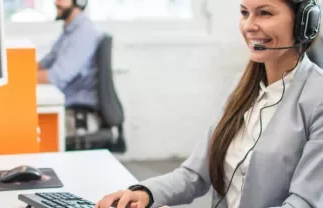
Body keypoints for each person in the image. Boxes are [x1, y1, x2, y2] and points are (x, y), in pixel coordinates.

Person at [95, 0, 323, 208]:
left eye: (264, 13)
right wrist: (145, 193)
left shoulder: (317, 99)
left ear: (305, 22)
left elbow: (303, 203)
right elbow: (195, 174)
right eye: (244, 13)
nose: (249, 26)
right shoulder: (241, 88)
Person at [37, 0, 103, 109]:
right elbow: (47, 62)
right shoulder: (70, 30)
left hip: (75, 107)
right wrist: (16, 72)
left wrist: (19, 79)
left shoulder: (83, 32)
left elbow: (56, 77)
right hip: (65, 101)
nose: (56, 3)